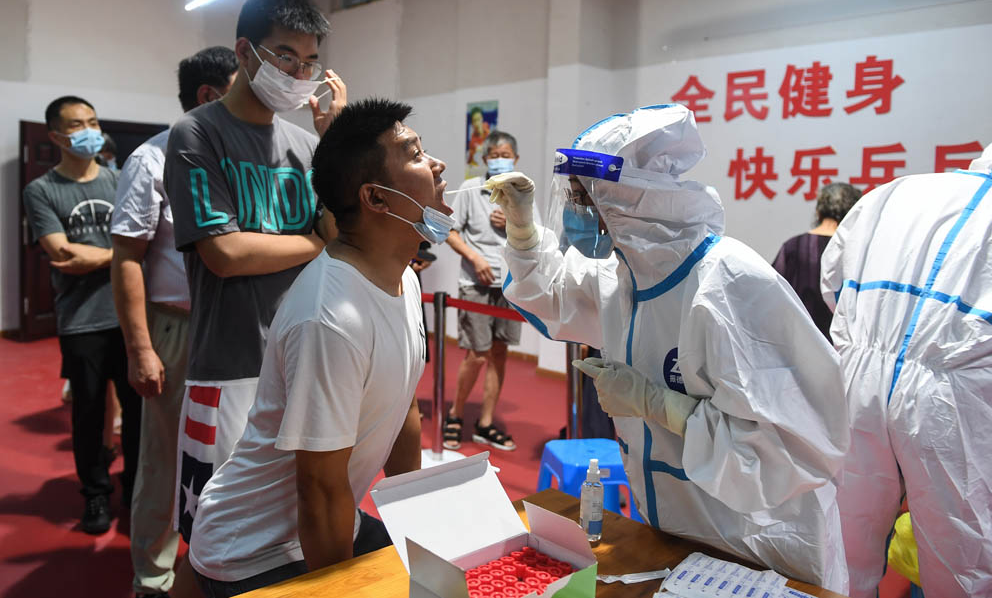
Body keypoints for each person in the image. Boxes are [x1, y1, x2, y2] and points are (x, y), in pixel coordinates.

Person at [492, 104, 850, 592]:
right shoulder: (627, 280)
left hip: (756, 543)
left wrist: (660, 405)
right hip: (674, 534)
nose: (578, 213)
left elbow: (794, 453)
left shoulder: (727, 284)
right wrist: (523, 230)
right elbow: (553, 293)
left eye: (584, 198)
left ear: (629, 199)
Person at [188, 98, 440, 596]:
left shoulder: (402, 280)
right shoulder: (331, 316)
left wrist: (417, 522)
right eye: (415, 154)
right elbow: (319, 492)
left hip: (330, 522)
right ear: (377, 198)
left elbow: (403, 408)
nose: (436, 165)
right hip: (254, 551)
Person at [164, 0, 345, 548]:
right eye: (285, 55)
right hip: (230, 363)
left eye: (311, 60)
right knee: (211, 533)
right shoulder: (197, 132)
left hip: (301, 361)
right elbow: (225, 254)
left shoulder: (307, 145)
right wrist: (312, 244)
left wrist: (334, 142)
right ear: (245, 52)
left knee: (284, 529)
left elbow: (341, 234)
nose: (298, 71)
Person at [821, 145, 992, 598]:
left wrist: (871, 338)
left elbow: (831, 281)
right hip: (959, 393)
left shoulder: (894, 192)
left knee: (842, 546)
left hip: (858, 373)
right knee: (962, 561)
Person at [111, 45, 238, 598]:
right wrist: (141, 348)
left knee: (234, 453)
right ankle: (153, 578)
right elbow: (127, 260)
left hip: (235, 325)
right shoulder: (152, 160)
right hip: (176, 328)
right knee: (164, 461)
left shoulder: (239, 158)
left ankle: (218, 566)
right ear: (209, 97)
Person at [22, 96, 142, 534]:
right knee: (89, 415)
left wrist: (102, 257)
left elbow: (148, 243)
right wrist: (125, 255)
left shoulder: (120, 180)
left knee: (139, 411)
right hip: (81, 320)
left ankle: (135, 488)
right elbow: (60, 250)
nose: (89, 130)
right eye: (76, 125)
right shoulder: (42, 190)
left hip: (131, 317)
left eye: (92, 121)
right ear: (56, 136)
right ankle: (95, 496)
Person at [445, 130, 536, 451]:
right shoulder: (471, 189)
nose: (500, 159)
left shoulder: (522, 193)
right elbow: (450, 231)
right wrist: (474, 257)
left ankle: (485, 422)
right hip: (476, 284)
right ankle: (455, 414)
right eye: (494, 154)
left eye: (506, 154)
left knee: (500, 354)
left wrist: (512, 222)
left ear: (517, 158)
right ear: (485, 159)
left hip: (510, 286)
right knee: (477, 354)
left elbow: (535, 237)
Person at [772, 182, 861, 338]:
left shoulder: (794, 246)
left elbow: (772, 293)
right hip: (842, 347)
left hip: (799, 344)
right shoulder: (855, 250)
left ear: (819, 211)